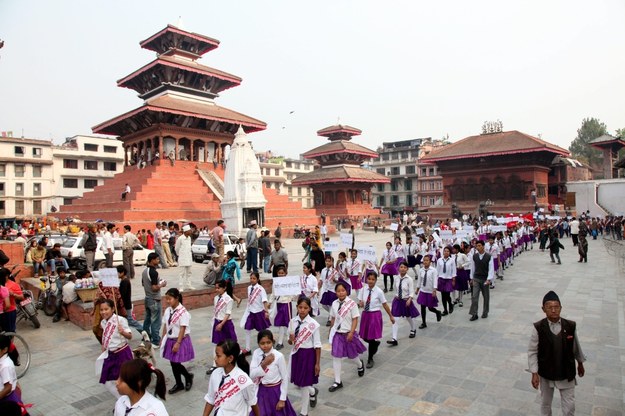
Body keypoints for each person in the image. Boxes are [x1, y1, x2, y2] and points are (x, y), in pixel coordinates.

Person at [528, 291, 586, 416]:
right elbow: (532, 351)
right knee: (545, 403)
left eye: (556, 307)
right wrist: (534, 373)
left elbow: (576, 346)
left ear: (561, 308)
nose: (553, 310)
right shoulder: (538, 327)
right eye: (550, 307)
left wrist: (580, 363)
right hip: (546, 372)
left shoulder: (570, 326)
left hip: (566, 371)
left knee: (569, 406)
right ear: (543, 309)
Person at [202, 340, 260, 416]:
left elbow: (253, 403)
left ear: (230, 358)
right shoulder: (215, 374)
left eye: (218, 356)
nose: (215, 358)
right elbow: (211, 398)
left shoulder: (243, 380)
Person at [328, 281, 366, 392]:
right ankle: (337, 381)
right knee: (336, 356)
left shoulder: (351, 304)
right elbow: (333, 318)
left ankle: (359, 365)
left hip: (348, 333)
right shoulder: (334, 304)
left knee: (352, 355)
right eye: (338, 291)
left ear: (347, 291)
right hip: (338, 334)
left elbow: (355, 319)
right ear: (335, 292)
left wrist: (351, 332)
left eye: (343, 291)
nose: (341, 293)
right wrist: (331, 330)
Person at [250, 330, 298, 416]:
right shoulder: (256, 353)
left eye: (268, 342)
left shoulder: (279, 356)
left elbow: (285, 377)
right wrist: (264, 364)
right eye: (262, 343)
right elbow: (252, 374)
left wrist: (282, 399)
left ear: (273, 342)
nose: (265, 345)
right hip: (261, 390)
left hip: (275, 391)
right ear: (258, 343)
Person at [288, 296, 321, 416]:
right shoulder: (292, 322)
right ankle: (313, 391)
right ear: (296, 307)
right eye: (300, 307)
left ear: (309, 309)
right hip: (296, 354)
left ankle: (304, 412)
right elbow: (290, 342)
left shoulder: (313, 324)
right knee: (297, 384)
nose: (302, 310)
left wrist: (317, 363)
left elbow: (317, 345)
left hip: (308, 355)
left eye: (305, 308)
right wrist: (291, 340)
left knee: (305, 384)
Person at [161, 288, 195, 394]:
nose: (167, 301)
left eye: (169, 299)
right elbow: (165, 325)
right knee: (173, 363)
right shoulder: (168, 310)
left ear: (176, 298)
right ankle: (180, 382)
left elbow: (182, 328)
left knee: (176, 362)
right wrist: (163, 338)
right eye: (166, 299)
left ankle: (187, 377)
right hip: (170, 339)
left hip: (180, 340)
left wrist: (178, 343)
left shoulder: (182, 312)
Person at [98, 299, 133, 398]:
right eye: (101, 310)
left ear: (113, 309)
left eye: (106, 309)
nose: (103, 312)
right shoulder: (103, 322)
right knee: (107, 381)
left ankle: (126, 401)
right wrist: (103, 349)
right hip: (111, 354)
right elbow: (105, 337)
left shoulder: (120, 320)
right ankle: (122, 400)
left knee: (124, 381)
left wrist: (123, 332)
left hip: (122, 353)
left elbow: (130, 336)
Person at [358, 271, 394, 368]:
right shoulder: (363, 289)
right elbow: (360, 301)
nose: (370, 281)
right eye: (369, 279)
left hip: (374, 315)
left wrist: (390, 315)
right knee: (364, 337)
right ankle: (375, 344)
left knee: (370, 337)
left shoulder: (379, 291)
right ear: (366, 279)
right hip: (365, 315)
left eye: (373, 279)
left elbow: (385, 304)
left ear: (376, 280)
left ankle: (370, 358)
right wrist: (360, 303)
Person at [207, 280, 237, 375]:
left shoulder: (229, 299)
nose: (217, 289)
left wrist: (221, 324)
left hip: (226, 323)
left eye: (219, 288)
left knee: (230, 343)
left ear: (224, 288)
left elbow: (228, 313)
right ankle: (214, 365)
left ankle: (232, 361)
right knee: (216, 343)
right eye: (216, 288)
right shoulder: (216, 298)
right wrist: (216, 323)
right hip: (217, 321)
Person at [387, 262, 420, 345]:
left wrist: (410, 299)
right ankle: (394, 339)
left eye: (405, 267)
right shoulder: (396, 278)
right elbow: (396, 288)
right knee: (395, 319)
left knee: (408, 317)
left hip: (406, 301)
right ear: (398, 268)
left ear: (407, 269)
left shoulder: (409, 279)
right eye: (401, 267)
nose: (403, 269)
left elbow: (411, 291)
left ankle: (413, 329)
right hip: (397, 301)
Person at [241, 272, 271, 355]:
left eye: (254, 278)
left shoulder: (261, 289)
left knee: (261, 331)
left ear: (257, 279)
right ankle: (248, 349)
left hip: (259, 312)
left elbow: (264, 301)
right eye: (251, 278)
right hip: (251, 312)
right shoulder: (249, 288)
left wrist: (266, 312)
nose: (252, 280)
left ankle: (265, 345)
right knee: (247, 329)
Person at [142, 253, 167, 348]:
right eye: (156, 259)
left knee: (147, 320)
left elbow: (144, 284)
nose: (158, 261)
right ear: (152, 260)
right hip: (154, 299)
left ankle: (145, 337)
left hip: (147, 298)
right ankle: (155, 341)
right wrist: (162, 284)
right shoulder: (153, 272)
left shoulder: (145, 271)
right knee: (156, 321)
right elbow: (154, 287)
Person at [469, 240, 494, 321]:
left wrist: (489, 279)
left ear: (483, 246)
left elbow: (491, 269)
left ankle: (485, 312)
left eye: (479, 245)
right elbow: (472, 267)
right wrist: (471, 278)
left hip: (485, 279)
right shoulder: (474, 256)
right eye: (477, 246)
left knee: (486, 297)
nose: (478, 247)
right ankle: (474, 313)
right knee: (474, 297)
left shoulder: (489, 256)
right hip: (476, 278)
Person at [416, 255, 442, 329]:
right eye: (424, 260)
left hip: (430, 291)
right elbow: (419, 281)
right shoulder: (421, 270)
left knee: (430, 308)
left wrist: (434, 290)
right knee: (422, 307)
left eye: (427, 260)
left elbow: (435, 280)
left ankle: (437, 312)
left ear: (430, 262)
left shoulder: (433, 270)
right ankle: (424, 322)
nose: (425, 262)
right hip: (423, 291)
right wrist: (417, 289)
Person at [0, 334, 25, 411]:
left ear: (4, 349)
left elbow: (8, 388)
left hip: (7, 399)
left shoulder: (5, 366)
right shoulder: (2, 360)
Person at [270, 266, 292, 350]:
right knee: (281, 323)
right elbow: (273, 293)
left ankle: (282, 341)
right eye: (279, 273)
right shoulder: (275, 282)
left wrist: (293, 297)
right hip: (279, 304)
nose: (281, 275)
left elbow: (293, 292)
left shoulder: (288, 282)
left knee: (285, 323)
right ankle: (283, 339)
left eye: (282, 273)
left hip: (286, 303)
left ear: (286, 273)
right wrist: (269, 302)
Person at [117, 266, 143, 334]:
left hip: (126, 304)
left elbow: (123, 294)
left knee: (131, 321)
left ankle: (144, 330)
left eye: (117, 273)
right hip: (126, 304)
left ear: (122, 273)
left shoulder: (125, 281)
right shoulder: (123, 281)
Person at [319, 256, 341, 326]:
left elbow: (338, 281)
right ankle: (333, 313)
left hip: (332, 290)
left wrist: (334, 280)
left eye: (329, 261)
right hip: (325, 289)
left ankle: (330, 319)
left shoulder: (334, 271)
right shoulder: (323, 270)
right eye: (326, 261)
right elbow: (321, 280)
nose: (327, 262)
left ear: (332, 262)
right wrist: (318, 287)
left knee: (331, 305)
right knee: (324, 304)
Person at [436, 246, 456, 315]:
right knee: (443, 295)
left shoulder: (452, 260)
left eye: (448, 251)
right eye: (445, 251)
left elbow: (454, 270)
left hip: (448, 279)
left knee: (447, 294)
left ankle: (450, 304)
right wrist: (436, 280)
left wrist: (453, 279)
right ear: (443, 252)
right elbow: (437, 270)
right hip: (441, 279)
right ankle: (445, 310)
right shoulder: (439, 260)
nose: (446, 252)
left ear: (449, 252)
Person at [175, 225, 195, 291]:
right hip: (182, 258)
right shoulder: (180, 238)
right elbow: (177, 248)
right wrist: (180, 255)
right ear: (186, 231)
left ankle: (189, 285)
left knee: (189, 272)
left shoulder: (189, 238)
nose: (190, 231)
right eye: (189, 231)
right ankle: (181, 286)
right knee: (182, 273)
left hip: (189, 257)